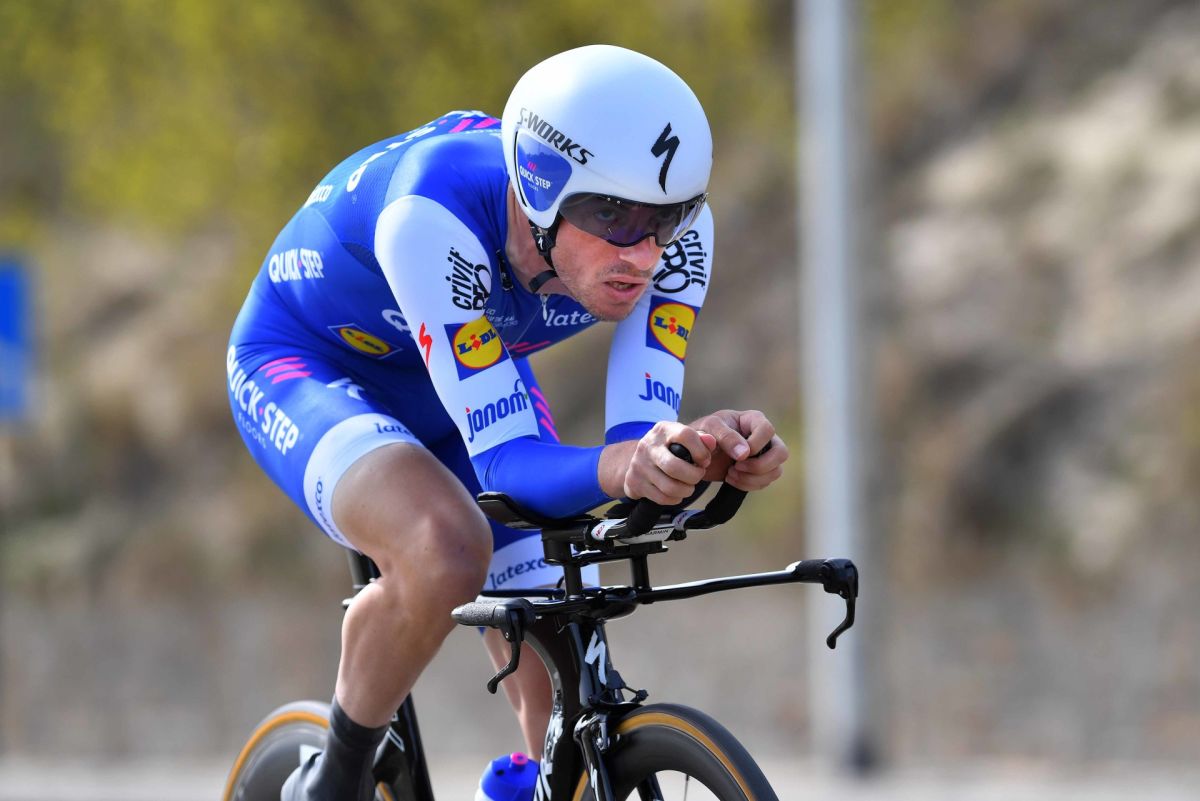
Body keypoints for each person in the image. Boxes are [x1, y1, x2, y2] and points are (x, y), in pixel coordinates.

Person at [225, 44, 789, 801]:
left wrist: (700, 451)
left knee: (559, 643)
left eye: (667, 218)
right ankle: (332, 779)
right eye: (611, 215)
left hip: (463, 364)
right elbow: (507, 462)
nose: (645, 251)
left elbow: (637, 445)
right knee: (447, 548)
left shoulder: (676, 238)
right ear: (540, 187)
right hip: (310, 364)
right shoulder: (432, 211)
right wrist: (626, 465)